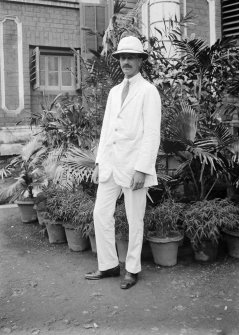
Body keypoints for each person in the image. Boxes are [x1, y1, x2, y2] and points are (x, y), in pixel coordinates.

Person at [85, 36, 161, 289]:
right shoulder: (114, 92)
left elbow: (152, 134)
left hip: (133, 168)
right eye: (122, 57)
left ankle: (132, 269)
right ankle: (108, 266)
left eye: (131, 57)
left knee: (134, 218)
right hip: (110, 165)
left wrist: (142, 169)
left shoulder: (149, 91)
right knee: (100, 213)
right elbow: (107, 130)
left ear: (140, 60)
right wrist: (98, 163)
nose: (125, 61)